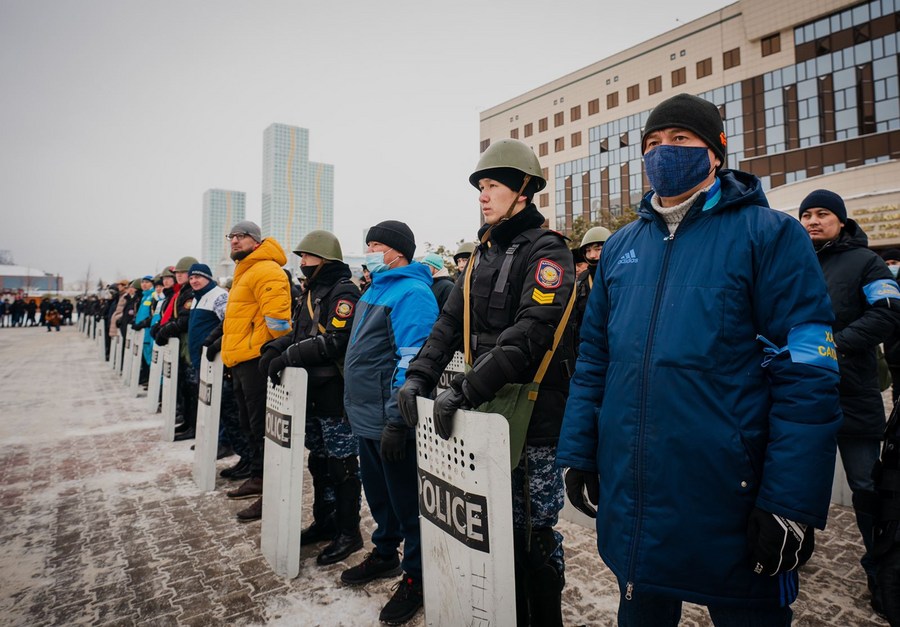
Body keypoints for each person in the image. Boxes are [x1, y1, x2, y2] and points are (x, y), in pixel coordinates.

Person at [557, 93, 843, 626]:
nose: (663, 151)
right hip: (637, 496)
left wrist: (790, 501)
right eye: (652, 143)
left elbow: (807, 376)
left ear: (715, 151)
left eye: (680, 139)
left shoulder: (770, 234)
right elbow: (594, 359)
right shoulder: (621, 247)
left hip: (732, 497)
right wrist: (581, 451)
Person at [399, 138, 576, 626]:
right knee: (492, 528)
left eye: (493, 185)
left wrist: (464, 390)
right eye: (480, 186)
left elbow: (530, 335)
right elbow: (447, 324)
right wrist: (419, 377)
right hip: (485, 412)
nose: (482, 194)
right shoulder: (481, 254)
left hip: (533, 419)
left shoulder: (548, 250)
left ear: (523, 190)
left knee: (533, 535)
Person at [799, 189, 900, 614]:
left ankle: (881, 570)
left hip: (853, 394)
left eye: (822, 213)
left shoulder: (867, 262)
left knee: (866, 486)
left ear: (841, 220)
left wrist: (834, 345)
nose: (812, 221)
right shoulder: (794, 260)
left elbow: (888, 313)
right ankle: (794, 551)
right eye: (806, 215)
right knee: (799, 481)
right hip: (802, 395)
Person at [340, 220, 438, 625]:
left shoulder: (413, 292)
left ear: (398, 251)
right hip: (365, 415)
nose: (369, 251)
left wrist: (397, 419)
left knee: (407, 503)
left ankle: (417, 577)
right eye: (367, 244)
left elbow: (412, 360)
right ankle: (385, 553)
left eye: (376, 244)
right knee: (380, 498)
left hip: (389, 420)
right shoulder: (373, 289)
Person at [258, 230, 362, 561]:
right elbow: (300, 335)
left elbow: (336, 341)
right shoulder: (312, 290)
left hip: (334, 394)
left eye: (307, 256)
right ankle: (325, 522)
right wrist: (275, 347)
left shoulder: (344, 291)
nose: (302, 262)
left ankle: (349, 533)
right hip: (311, 393)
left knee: (342, 465)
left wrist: (289, 356)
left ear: (325, 259)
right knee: (319, 461)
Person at [213, 220, 291, 522]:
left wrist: (272, 351)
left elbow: (278, 320)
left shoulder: (266, 269)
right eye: (231, 236)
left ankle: (269, 490)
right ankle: (258, 476)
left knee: (262, 428)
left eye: (241, 236)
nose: (234, 241)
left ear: (256, 241)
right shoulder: (244, 270)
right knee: (249, 424)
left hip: (257, 360)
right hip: (240, 360)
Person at [154, 257, 198, 442]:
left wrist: (165, 330)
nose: (179, 276)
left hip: (188, 346)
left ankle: (193, 425)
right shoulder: (181, 292)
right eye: (177, 273)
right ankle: (188, 422)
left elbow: (184, 319)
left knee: (191, 389)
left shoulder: (190, 293)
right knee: (184, 387)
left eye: (183, 273)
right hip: (181, 345)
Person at [573, 226, 611, 352]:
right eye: (588, 250)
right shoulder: (582, 279)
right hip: (589, 346)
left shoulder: (621, 275)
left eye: (598, 249)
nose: (592, 255)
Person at [881, 249, 900, 404]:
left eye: (894, 263)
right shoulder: (884, 286)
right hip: (893, 351)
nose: (890, 267)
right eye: (887, 264)